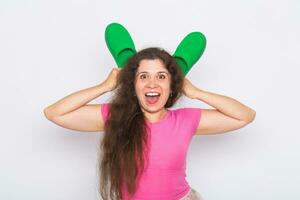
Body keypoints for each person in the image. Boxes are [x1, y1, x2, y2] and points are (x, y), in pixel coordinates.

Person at [44, 47, 256, 200]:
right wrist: (105, 86)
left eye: (161, 76)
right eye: (143, 76)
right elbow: (55, 113)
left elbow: (244, 116)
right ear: (132, 85)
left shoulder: (185, 119)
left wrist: (196, 92)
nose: (152, 83)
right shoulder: (115, 117)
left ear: (172, 86)